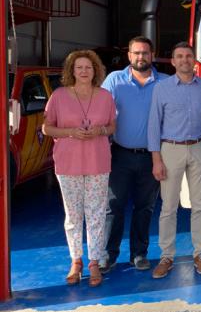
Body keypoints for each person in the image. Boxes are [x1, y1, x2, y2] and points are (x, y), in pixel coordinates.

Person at [42, 50, 116, 287]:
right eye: (79, 67)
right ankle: (76, 260)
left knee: (96, 214)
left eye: (88, 67)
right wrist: (71, 132)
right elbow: (47, 128)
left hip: (98, 161)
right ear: (71, 71)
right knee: (73, 216)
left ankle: (94, 261)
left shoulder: (105, 96)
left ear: (96, 71)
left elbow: (112, 125)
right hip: (68, 163)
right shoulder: (59, 96)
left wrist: (100, 131)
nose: (84, 71)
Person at [99, 36, 168, 274]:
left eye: (145, 53)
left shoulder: (165, 83)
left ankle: (139, 254)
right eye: (136, 53)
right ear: (129, 56)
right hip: (120, 154)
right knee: (113, 205)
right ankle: (108, 254)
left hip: (152, 156)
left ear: (153, 55)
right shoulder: (114, 81)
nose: (141, 57)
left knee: (145, 207)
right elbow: (99, 111)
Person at [147, 42, 201, 279]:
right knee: (168, 208)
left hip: (198, 147)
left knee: (199, 205)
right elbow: (154, 125)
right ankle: (166, 256)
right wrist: (156, 159)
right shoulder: (161, 88)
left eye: (188, 56)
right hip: (170, 149)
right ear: (173, 61)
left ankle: (200, 254)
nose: (185, 60)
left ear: (194, 60)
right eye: (179, 56)